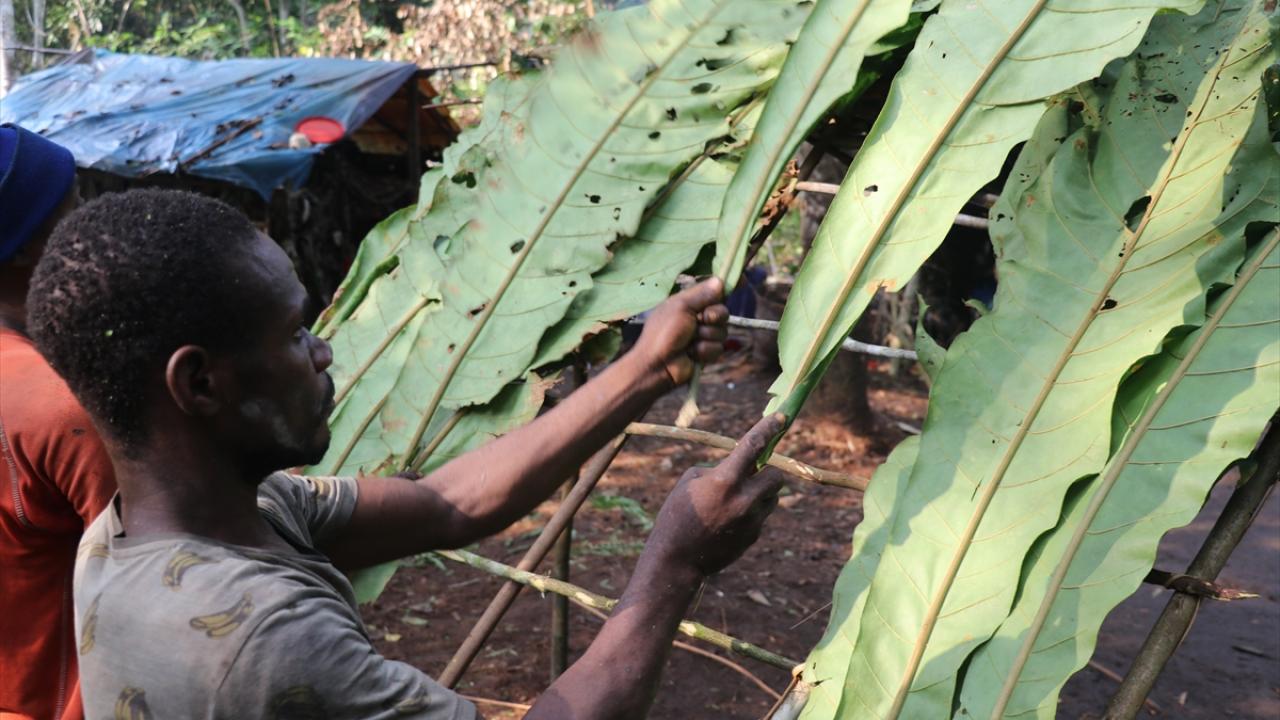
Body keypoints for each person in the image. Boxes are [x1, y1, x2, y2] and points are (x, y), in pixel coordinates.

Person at [27, 188, 784, 719]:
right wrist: (676, 565)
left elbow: (448, 502)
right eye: (293, 333)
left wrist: (648, 366)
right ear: (199, 383)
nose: (322, 352)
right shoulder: (264, 639)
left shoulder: (136, 536)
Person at [0, 124, 116, 720]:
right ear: (26, 247)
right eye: (74, 206)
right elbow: (161, 577)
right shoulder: (61, 408)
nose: (92, 226)